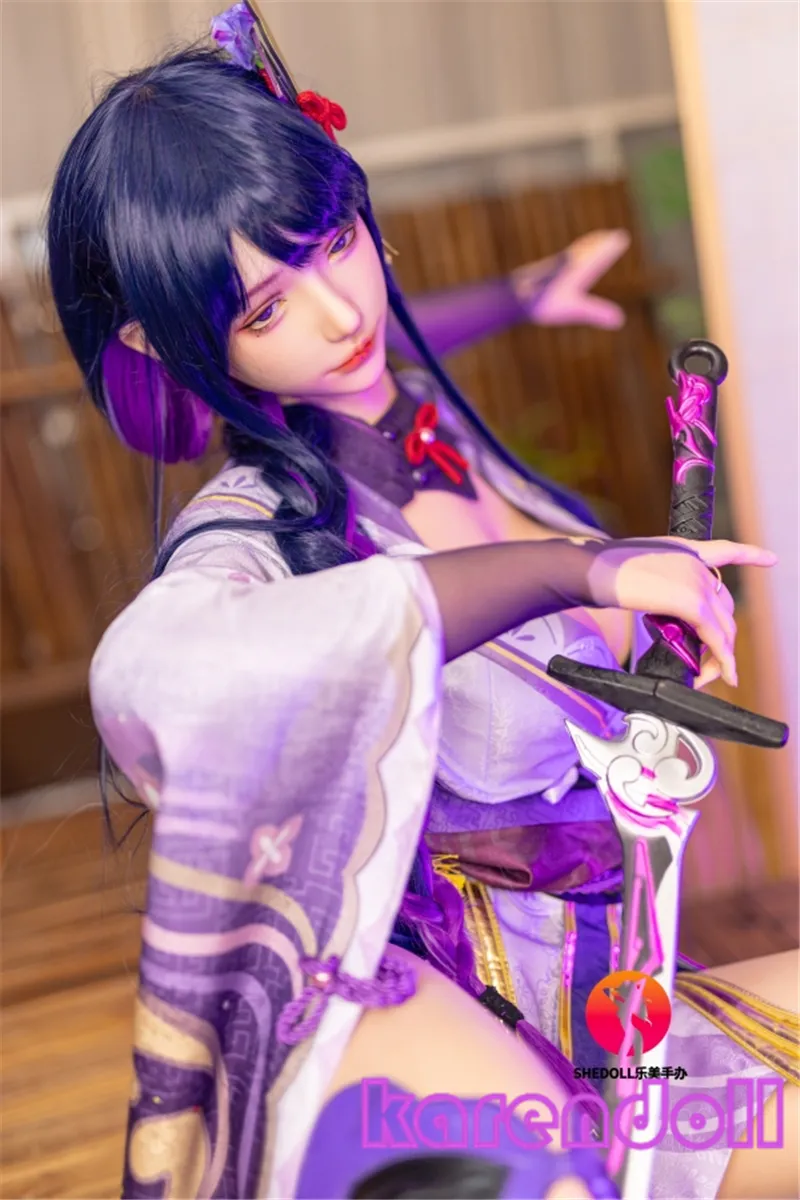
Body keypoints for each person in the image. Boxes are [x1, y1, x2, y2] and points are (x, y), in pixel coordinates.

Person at [46, 6, 797, 1197]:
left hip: (624, 997)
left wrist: (521, 293)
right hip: (470, 1024)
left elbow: (382, 332)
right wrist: (574, 567)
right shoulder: (255, 535)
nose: (339, 312)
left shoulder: (414, 413)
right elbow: (159, 672)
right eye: (261, 309)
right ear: (177, 343)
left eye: (333, 240)